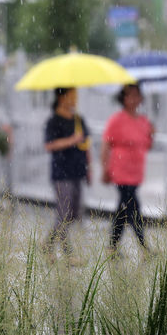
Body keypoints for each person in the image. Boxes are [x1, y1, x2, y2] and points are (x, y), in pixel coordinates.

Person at [101, 84, 155, 257]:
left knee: (123, 210)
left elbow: (147, 145)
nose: (133, 99)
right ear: (123, 98)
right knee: (133, 207)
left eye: (136, 95)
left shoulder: (144, 121)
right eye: (129, 95)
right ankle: (144, 246)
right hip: (121, 171)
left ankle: (112, 246)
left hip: (136, 172)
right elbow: (105, 145)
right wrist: (105, 168)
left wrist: (152, 134)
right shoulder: (117, 120)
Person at [42, 87, 92, 264]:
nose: (74, 99)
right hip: (61, 173)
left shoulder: (79, 119)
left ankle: (47, 244)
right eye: (70, 95)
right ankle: (68, 254)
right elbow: (49, 145)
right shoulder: (53, 121)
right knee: (63, 213)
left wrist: (89, 169)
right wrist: (72, 140)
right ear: (60, 97)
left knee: (73, 213)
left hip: (77, 172)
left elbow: (86, 144)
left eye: (75, 95)